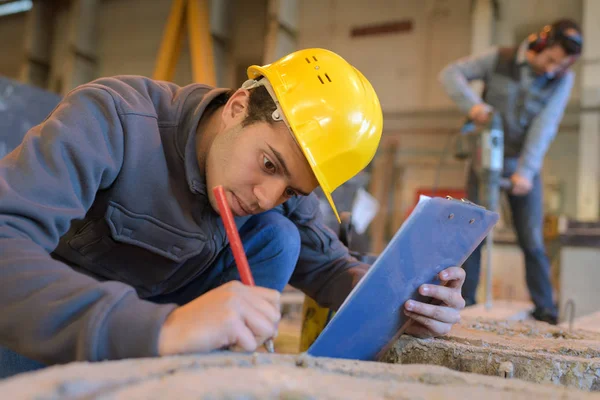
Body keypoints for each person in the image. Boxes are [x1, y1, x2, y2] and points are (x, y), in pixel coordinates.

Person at [0, 48, 467, 378]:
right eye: (268, 165)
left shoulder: (276, 190)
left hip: (157, 336)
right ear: (238, 106)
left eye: (290, 190)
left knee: (278, 237)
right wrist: (162, 328)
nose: (266, 196)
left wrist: (406, 296)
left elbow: (329, 267)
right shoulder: (113, 118)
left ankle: (214, 373)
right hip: (50, 325)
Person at [439, 19, 583, 324]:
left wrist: (526, 172)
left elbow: (545, 126)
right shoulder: (500, 58)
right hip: (484, 156)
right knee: (475, 234)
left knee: (532, 238)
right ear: (540, 45)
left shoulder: (562, 79)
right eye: (551, 60)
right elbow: (450, 73)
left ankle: (546, 312)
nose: (552, 70)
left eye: (561, 66)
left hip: (522, 164)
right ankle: (467, 303)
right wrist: (473, 106)